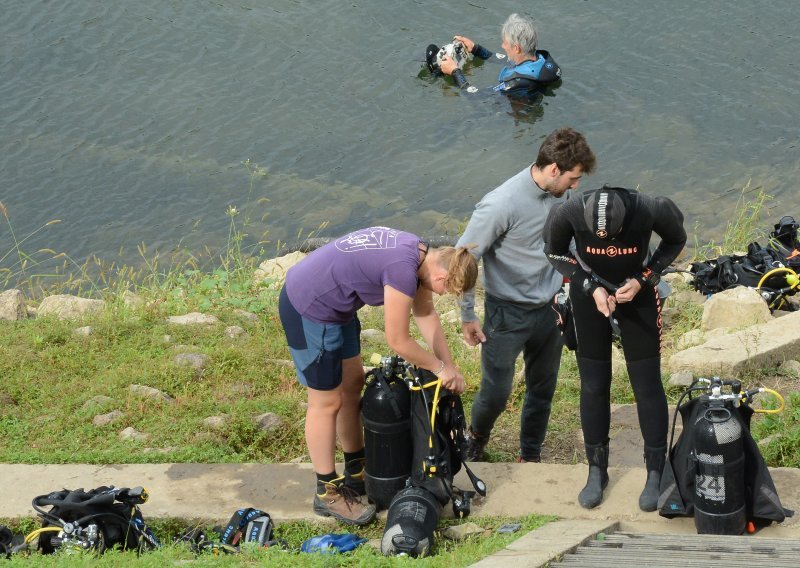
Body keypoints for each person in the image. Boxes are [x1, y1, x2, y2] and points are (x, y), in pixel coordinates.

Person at [278, 226, 478, 525]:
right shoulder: (402, 270)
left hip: (338, 308)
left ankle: (356, 470)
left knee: (353, 385)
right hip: (309, 305)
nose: (445, 295)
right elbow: (397, 340)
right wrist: (437, 368)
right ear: (442, 278)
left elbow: (425, 315)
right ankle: (327, 493)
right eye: (449, 291)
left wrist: (449, 366)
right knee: (326, 402)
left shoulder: (421, 256)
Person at [457, 127, 596, 463]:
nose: (576, 186)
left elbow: (566, 238)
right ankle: (475, 438)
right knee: (496, 391)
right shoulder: (500, 203)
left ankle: (530, 453)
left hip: (550, 310)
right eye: (573, 179)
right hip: (507, 312)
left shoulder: (560, 194)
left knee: (543, 388)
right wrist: (467, 315)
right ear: (553, 170)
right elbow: (463, 258)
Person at [544, 186, 687, 511]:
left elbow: (675, 240)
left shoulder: (652, 206)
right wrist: (588, 285)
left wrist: (644, 277)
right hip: (589, 297)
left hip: (636, 298)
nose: (608, 244)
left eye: (615, 237)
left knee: (646, 385)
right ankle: (597, 470)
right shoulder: (568, 212)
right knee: (594, 385)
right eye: (600, 238)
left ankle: (655, 471)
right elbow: (554, 252)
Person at [438, 13, 561, 96]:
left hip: (518, 111)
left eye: (505, 42)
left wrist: (455, 72)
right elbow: (497, 58)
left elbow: (477, 96)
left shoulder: (518, 82)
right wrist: (475, 48)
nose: (502, 45)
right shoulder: (536, 59)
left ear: (516, 48)